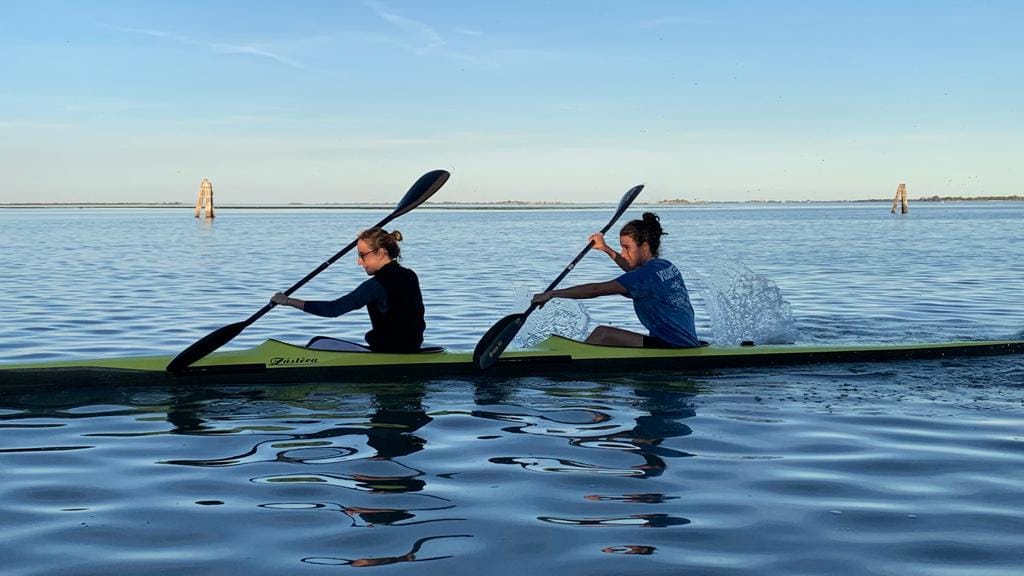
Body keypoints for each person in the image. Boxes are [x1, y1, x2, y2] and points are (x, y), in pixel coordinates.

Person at [531, 212, 699, 348]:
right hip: (685, 341)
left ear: (645, 246)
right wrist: (605, 248)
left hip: (672, 346)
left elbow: (595, 290)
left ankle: (574, 374)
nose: (623, 254)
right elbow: (632, 271)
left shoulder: (644, 276)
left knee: (603, 334)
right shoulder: (664, 266)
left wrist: (552, 294)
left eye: (627, 248)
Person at [272, 228, 425, 353]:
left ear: (380, 253)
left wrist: (288, 301)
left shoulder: (375, 285)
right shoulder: (410, 275)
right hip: (412, 347)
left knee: (318, 343)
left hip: (387, 351)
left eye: (362, 255)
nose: (359, 262)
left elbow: (333, 309)